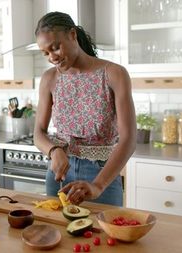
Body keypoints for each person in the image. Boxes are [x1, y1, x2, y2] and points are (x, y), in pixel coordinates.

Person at [33, 12, 136, 206]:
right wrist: (53, 150)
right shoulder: (49, 79)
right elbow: (38, 132)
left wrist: (98, 185)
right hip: (58, 175)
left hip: (101, 175)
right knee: (58, 232)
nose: (52, 57)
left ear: (72, 35)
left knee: (104, 234)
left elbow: (129, 139)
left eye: (55, 48)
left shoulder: (114, 74)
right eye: (45, 53)